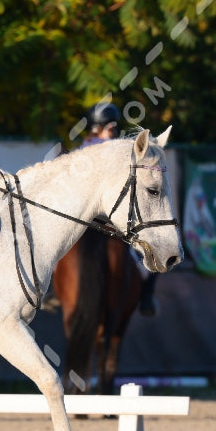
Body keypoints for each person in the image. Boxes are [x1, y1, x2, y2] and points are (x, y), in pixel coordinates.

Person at [82, 102, 159, 316]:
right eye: (112, 127)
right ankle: (147, 298)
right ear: (107, 126)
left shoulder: (82, 148)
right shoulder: (114, 150)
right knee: (150, 251)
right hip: (108, 218)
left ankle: (51, 292)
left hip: (84, 218)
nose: (114, 131)